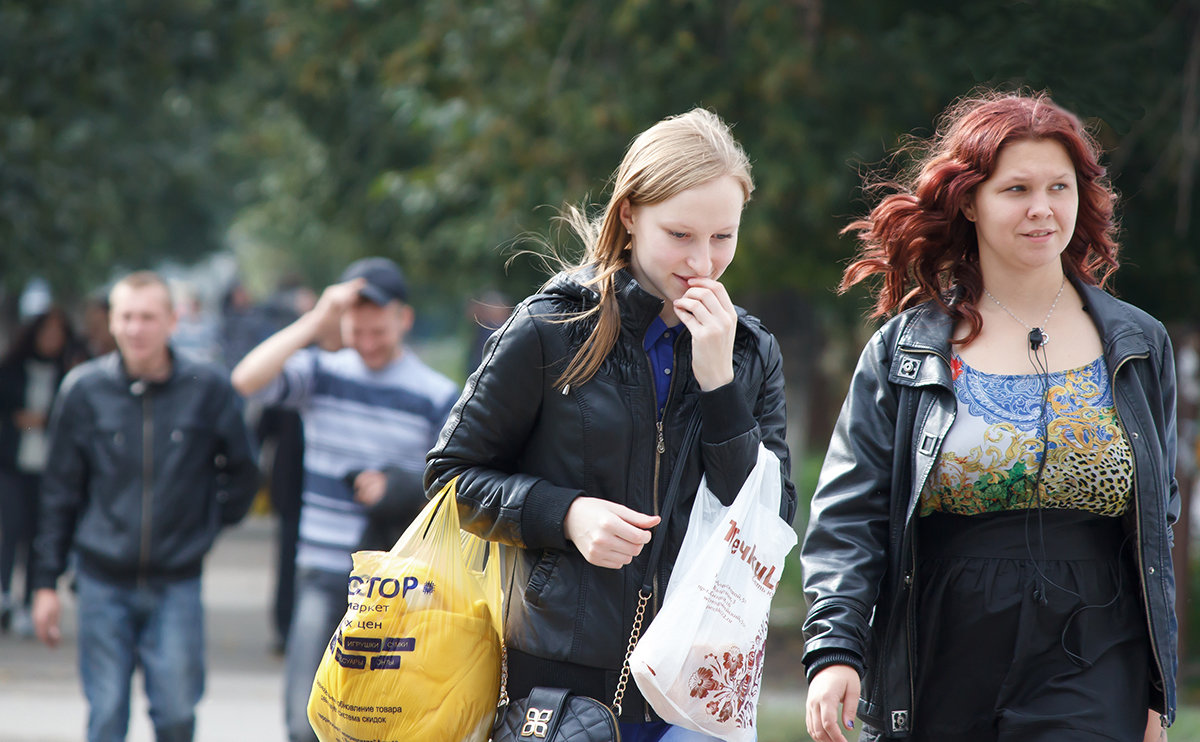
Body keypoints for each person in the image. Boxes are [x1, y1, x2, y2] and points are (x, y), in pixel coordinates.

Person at [800, 90, 1178, 742]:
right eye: (1017, 189)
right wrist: (835, 650)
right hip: (941, 642)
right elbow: (849, 515)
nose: (1043, 209)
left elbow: (1155, 523)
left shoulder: (1139, 345)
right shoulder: (907, 350)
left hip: (1093, 646)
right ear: (969, 200)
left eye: (1060, 186)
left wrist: (1155, 688)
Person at [425, 108, 797, 741]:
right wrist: (565, 514)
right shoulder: (552, 328)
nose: (703, 262)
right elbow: (450, 479)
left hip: (696, 683)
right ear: (629, 215)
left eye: (723, 237)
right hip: (559, 682)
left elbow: (768, 520)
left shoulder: (748, 351)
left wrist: (719, 385)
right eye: (679, 234)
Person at [230, 256, 460, 742]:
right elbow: (246, 380)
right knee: (303, 721)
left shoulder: (436, 395)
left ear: (405, 319)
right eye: (358, 332)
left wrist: (396, 484)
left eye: (380, 331)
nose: (369, 344)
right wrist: (317, 319)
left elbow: (455, 485)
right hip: (321, 568)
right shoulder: (322, 373)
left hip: (396, 585)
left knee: (379, 722)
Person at [30, 271, 259, 742]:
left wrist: (208, 524)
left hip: (176, 581)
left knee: (176, 715)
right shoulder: (83, 390)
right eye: (127, 317)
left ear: (173, 320)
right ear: (111, 322)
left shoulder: (207, 388)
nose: (137, 329)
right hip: (100, 580)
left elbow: (243, 470)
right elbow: (58, 492)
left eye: (148, 317)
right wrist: (44, 583)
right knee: (106, 714)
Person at [0, 306, 77, 636]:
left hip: (49, 468)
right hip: (12, 463)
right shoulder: (12, 371)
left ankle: (32, 600)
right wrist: (25, 425)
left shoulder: (70, 376)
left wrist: (40, 423)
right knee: (10, 529)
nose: (51, 340)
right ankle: (4, 596)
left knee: (38, 535)